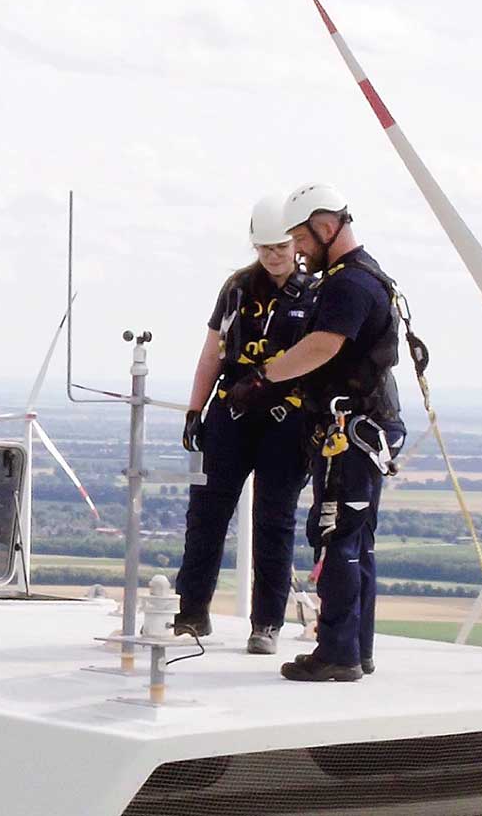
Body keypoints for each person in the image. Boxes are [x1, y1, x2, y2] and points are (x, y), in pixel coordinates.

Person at [222, 182, 405, 682]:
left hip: (350, 431)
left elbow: (322, 346)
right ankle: (355, 648)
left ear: (326, 228)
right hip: (360, 427)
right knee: (356, 539)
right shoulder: (364, 277)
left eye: (301, 238)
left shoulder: (349, 284)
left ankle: (338, 654)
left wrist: (262, 377)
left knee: (337, 540)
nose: (298, 250)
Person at [172, 194, 315, 654]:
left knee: (274, 521)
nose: (274, 255)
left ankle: (267, 623)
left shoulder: (315, 291)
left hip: (286, 417)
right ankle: (192, 610)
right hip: (231, 411)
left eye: (281, 246)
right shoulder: (236, 287)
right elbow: (212, 350)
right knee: (206, 516)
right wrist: (195, 410)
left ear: (295, 243)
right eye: (264, 248)